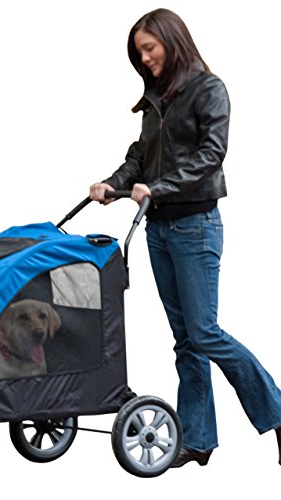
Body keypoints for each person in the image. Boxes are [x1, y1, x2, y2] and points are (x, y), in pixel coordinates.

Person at [89, 7, 281, 468]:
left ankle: (276, 412)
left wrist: (158, 188)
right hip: (157, 228)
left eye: (149, 49)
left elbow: (211, 155)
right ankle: (197, 440)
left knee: (205, 333)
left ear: (172, 41)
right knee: (186, 341)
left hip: (195, 227)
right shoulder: (156, 96)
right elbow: (140, 156)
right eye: (139, 53)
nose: (144, 59)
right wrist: (113, 185)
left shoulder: (208, 89)